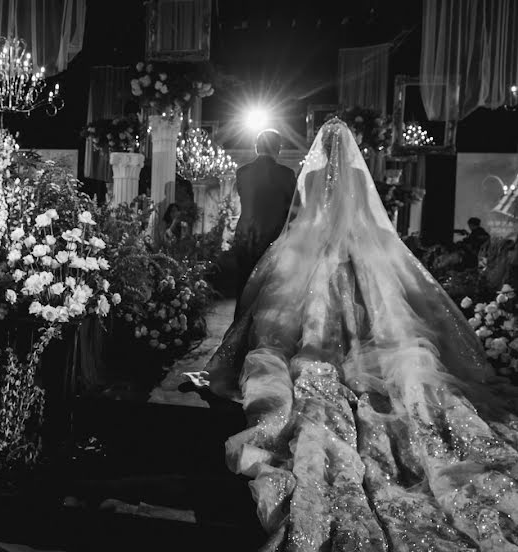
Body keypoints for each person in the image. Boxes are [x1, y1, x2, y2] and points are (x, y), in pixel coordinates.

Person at [186, 119, 518, 550]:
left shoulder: (301, 174)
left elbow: (305, 215)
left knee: (289, 320)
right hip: (361, 259)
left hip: (310, 255)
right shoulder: (356, 176)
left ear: (321, 152)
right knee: (374, 319)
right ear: (355, 152)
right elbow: (368, 219)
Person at [231, 128, 296, 319]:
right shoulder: (286, 174)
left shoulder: (242, 172)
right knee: (269, 291)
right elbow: (292, 208)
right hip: (273, 237)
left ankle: (238, 329)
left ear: (256, 147)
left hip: (245, 236)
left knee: (244, 286)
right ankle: (261, 334)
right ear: (279, 149)